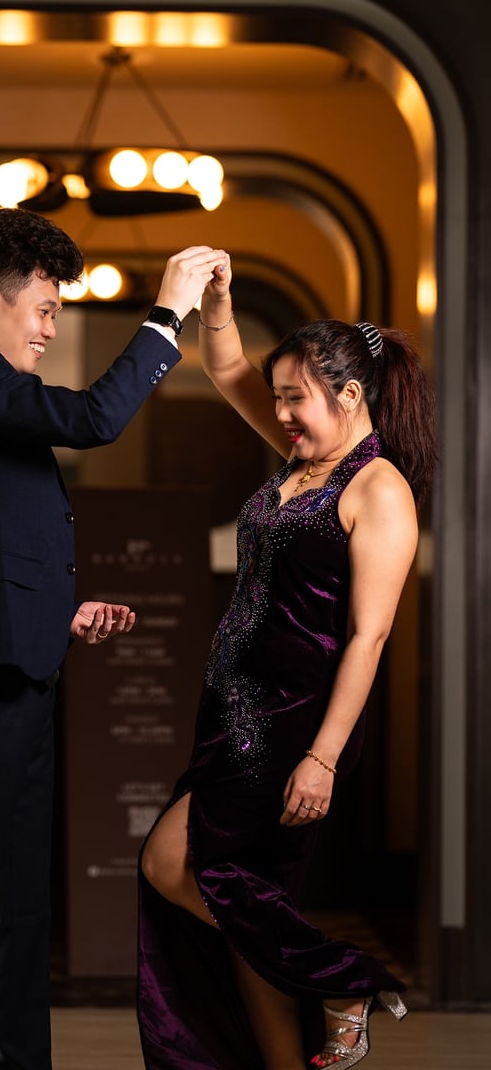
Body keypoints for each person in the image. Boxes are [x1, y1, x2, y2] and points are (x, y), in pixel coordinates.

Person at [0, 205, 228, 1070]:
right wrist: (166, 314)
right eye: (46, 309)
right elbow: (95, 418)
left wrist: (52, 612)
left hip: (11, 669)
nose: (53, 327)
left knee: (16, 911)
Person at [137, 258, 437, 1070]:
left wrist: (323, 758)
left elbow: (370, 636)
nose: (279, 414)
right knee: (245, 896)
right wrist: (220, 302)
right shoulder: (306, 458)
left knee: (173, 863)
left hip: (291, 725)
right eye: (277, 399)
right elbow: (226, 366)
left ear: (350, 394)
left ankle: (341, 980)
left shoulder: (378, 489)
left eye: (294, 398)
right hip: (231, 713)